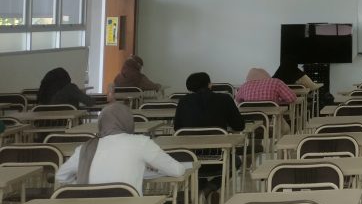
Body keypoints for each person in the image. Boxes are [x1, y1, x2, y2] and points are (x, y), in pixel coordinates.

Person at [57, 103, 188, 194]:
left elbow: (61, 176)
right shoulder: (141, 142)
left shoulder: (85, 148)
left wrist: (81, 183)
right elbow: (177, 170)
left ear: (101, 123)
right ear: (128, 121)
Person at [174, 72, 245, 132]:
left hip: (189, 143)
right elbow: (239, 126)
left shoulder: (183, 101)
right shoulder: (225, 98)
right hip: (219, 142)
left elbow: (177, 128)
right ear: (209, 85)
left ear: (189, 87)